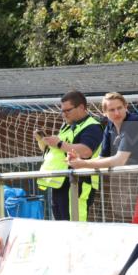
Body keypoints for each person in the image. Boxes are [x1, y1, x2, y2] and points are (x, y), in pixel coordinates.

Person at [69, 92, 138, 224]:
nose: (117, 112)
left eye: (120, 108)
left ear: (126, 107)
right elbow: (101, 158)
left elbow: (119, 160)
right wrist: (80, 162)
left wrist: (82, 164)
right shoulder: (110, 128)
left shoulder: (132, 124)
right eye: (112, 109)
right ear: (105, 113)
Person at [37, 90, 103, 221]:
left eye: (68, 110)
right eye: (62, 111)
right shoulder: (66, 127)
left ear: (82, 107)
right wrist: (42, 141)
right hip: (61, 184)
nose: (64, 114)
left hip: (78, 183)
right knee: (63, 227)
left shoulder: (93, 126)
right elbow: (54, 152)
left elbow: (86, 151)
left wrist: (60, 143)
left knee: (76, 225)